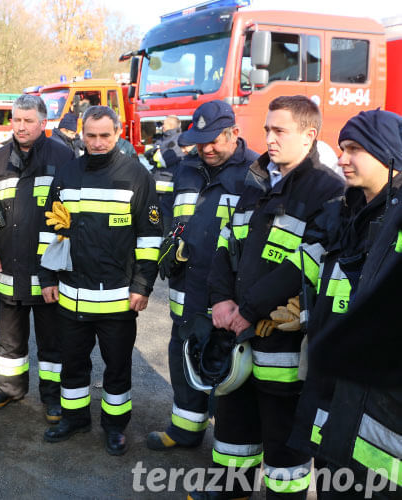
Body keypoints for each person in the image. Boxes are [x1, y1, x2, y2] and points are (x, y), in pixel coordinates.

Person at [198, 96, 345, 499]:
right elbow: (228, 245)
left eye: (279, 130)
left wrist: (247, 309)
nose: (269, 138)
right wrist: (221, 300)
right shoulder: (257, 179)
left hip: (283, 345)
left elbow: (307, 263)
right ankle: (229, 491)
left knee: (283, 441)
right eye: (266, 129)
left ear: (309, 136)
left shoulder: (328, 192)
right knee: (232, 426)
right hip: (238, 334)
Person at [286, 110, 402, 498]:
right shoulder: (346, 213)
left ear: (389, 155)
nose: (342, 158)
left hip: (383, 411)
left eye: (355, 149)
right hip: (336, 394)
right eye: (341, 149)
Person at [40, 105, 161, 456]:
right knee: (73, 364)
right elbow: (51, 230)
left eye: (104, 135)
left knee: (117, 368)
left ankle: (114, 427)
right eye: (91, 136)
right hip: (72, 295)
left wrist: (142, 286)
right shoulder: (67, 173)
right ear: (81, 134)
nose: (97, 142)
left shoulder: (136, 176)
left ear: (118, 132)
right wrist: (48, 277)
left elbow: (150, 238)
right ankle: (75, 417)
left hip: (118, 299)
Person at [146, 101, 259, 452]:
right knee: (183, 354)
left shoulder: (254, 174)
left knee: (227, 368)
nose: (206, 148)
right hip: (186, 288)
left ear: (234, 134)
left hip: (228, 295)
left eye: (214, 141)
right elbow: (167, 213)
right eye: (200, 141)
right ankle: (185, 429)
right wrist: (169, 239)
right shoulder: (186, 168)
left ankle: (230, 442)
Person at [0, 94, 73, 421]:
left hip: (48, 272)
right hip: (9, 268)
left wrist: (56, 269)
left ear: (43, 123)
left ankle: (53, 397)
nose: (21, 126)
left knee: (52, 344)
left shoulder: (62, 156)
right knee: (10, 341)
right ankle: (9, 388)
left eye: (28, 120)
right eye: (16, 120)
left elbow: (68, 218)